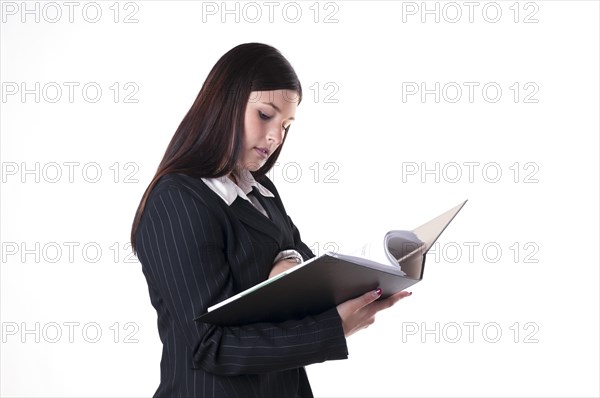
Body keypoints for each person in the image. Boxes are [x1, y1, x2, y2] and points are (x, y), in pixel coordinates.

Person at [130, 42, 412, 398]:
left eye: (286, 125)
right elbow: (210, 345)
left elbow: (302, 259)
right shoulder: (177, 200)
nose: (276, 137)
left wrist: (290, 259)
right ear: (224, 103)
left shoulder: (260, 190)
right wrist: (332, 329)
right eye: (265, 115)